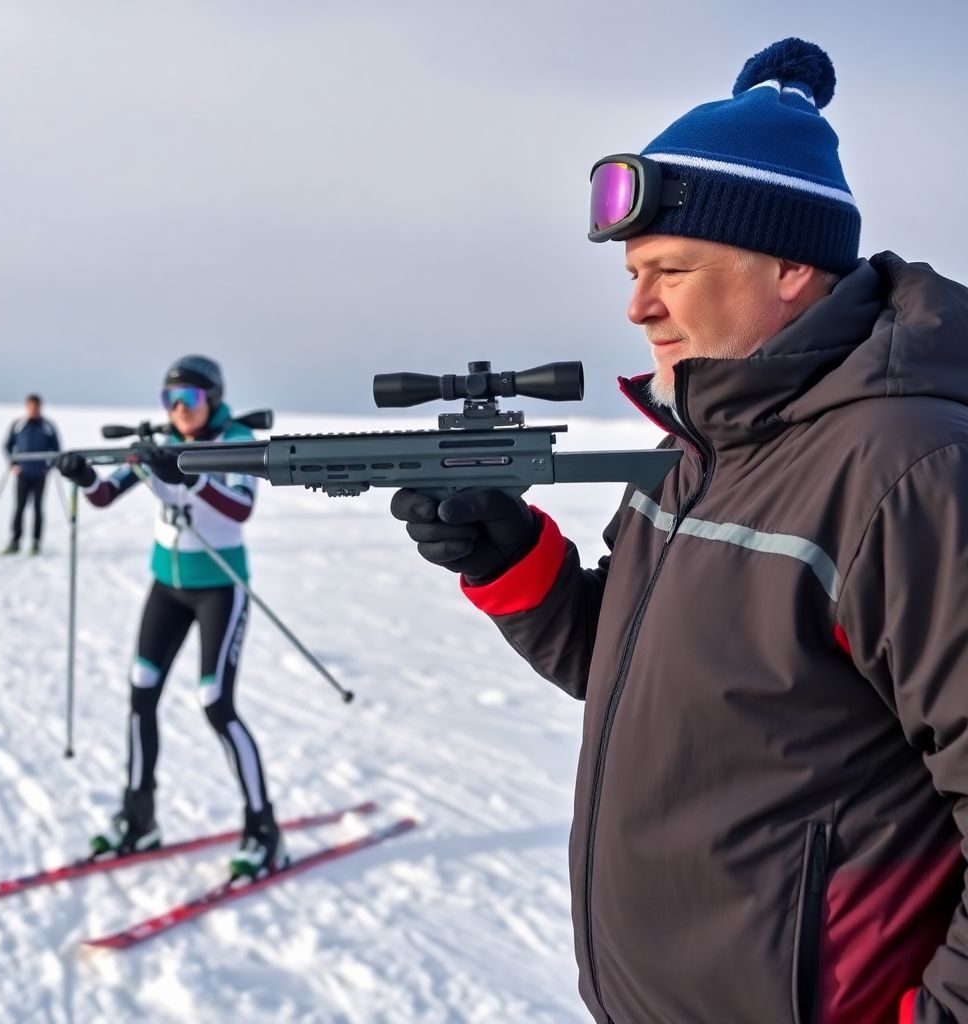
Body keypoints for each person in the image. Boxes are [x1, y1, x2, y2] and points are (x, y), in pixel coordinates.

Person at [392, 38, 968, 1024]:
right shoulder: (706, 439)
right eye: (632, 269)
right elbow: (631, 665)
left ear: (789, 265)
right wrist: (512, 563)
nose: (636, 304)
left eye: (669, 268)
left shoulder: (905, 466)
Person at [56, 356, 286, 878]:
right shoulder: (162, 441)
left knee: (215, 705)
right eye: (169, 400)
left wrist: (186, 475)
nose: (179, 410)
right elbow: (105, 494)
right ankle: (139, 819)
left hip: (219, 590)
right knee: (141, 692)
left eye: (190, 399)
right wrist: (84, 474)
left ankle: (263, 829)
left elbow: (239, 507)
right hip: (167, 587)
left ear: (213, 399)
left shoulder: (236, 441)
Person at [2, 393, 60, 555]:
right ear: (27, 406)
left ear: (40, 407)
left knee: (38, 508)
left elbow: (56, 450)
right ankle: (15, 542)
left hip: (40, 474)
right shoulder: (18, 425)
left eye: (37, 406)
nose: (34, 409)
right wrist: (13, 464)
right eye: (31, 406)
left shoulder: (48, 426)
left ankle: (36, 542)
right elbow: (7, 446)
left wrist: (49, 467)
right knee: (19, 507)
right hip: (23, 473)